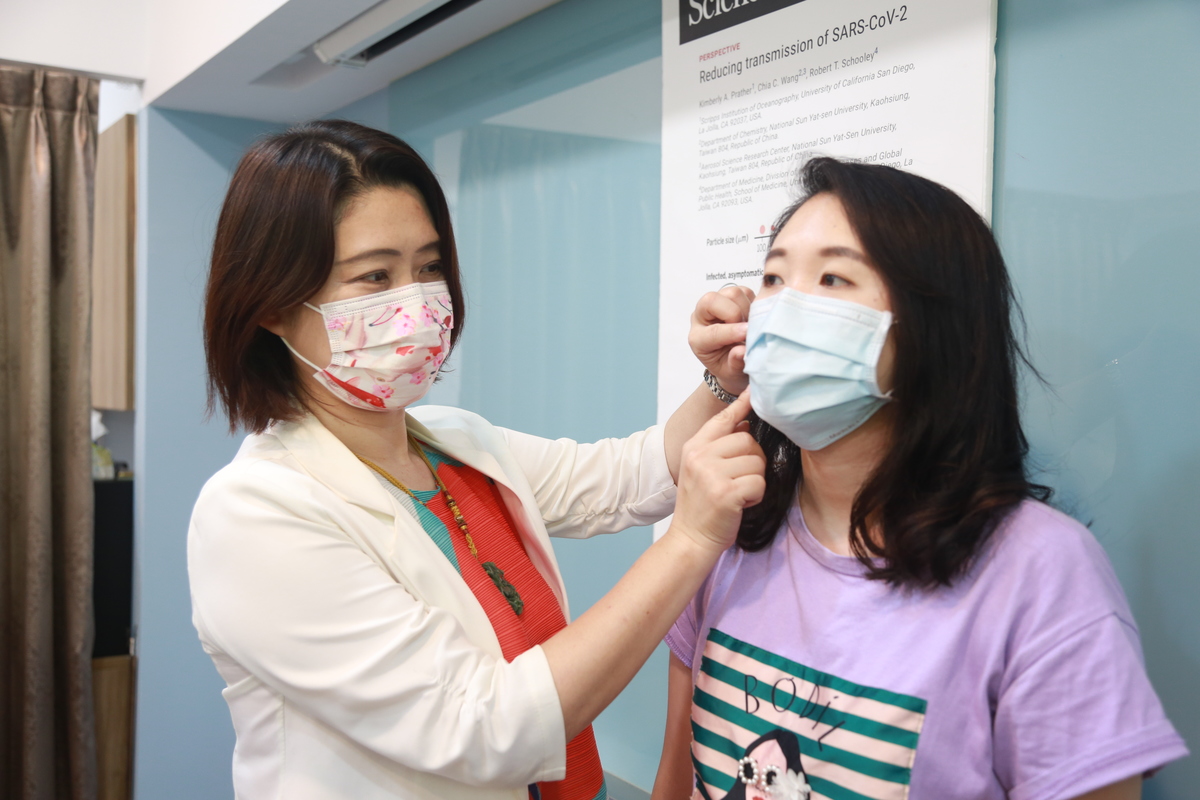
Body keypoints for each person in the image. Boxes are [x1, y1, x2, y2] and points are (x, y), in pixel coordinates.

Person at [187, 119, 767, 800]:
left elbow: (629, 477)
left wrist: (722, 382)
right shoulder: (254, 516)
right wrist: (692, 541)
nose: (419, 303)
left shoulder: (454, 444)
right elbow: (483, 727)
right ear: (273, 305)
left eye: (429, 267)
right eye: (375, 277)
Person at [651, 157, 1188, 800]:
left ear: (932, 328)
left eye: (832, 276)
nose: (785, 305)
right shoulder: (725, 527)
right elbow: (676, 782)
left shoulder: (1040, 574)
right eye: (772, 277)